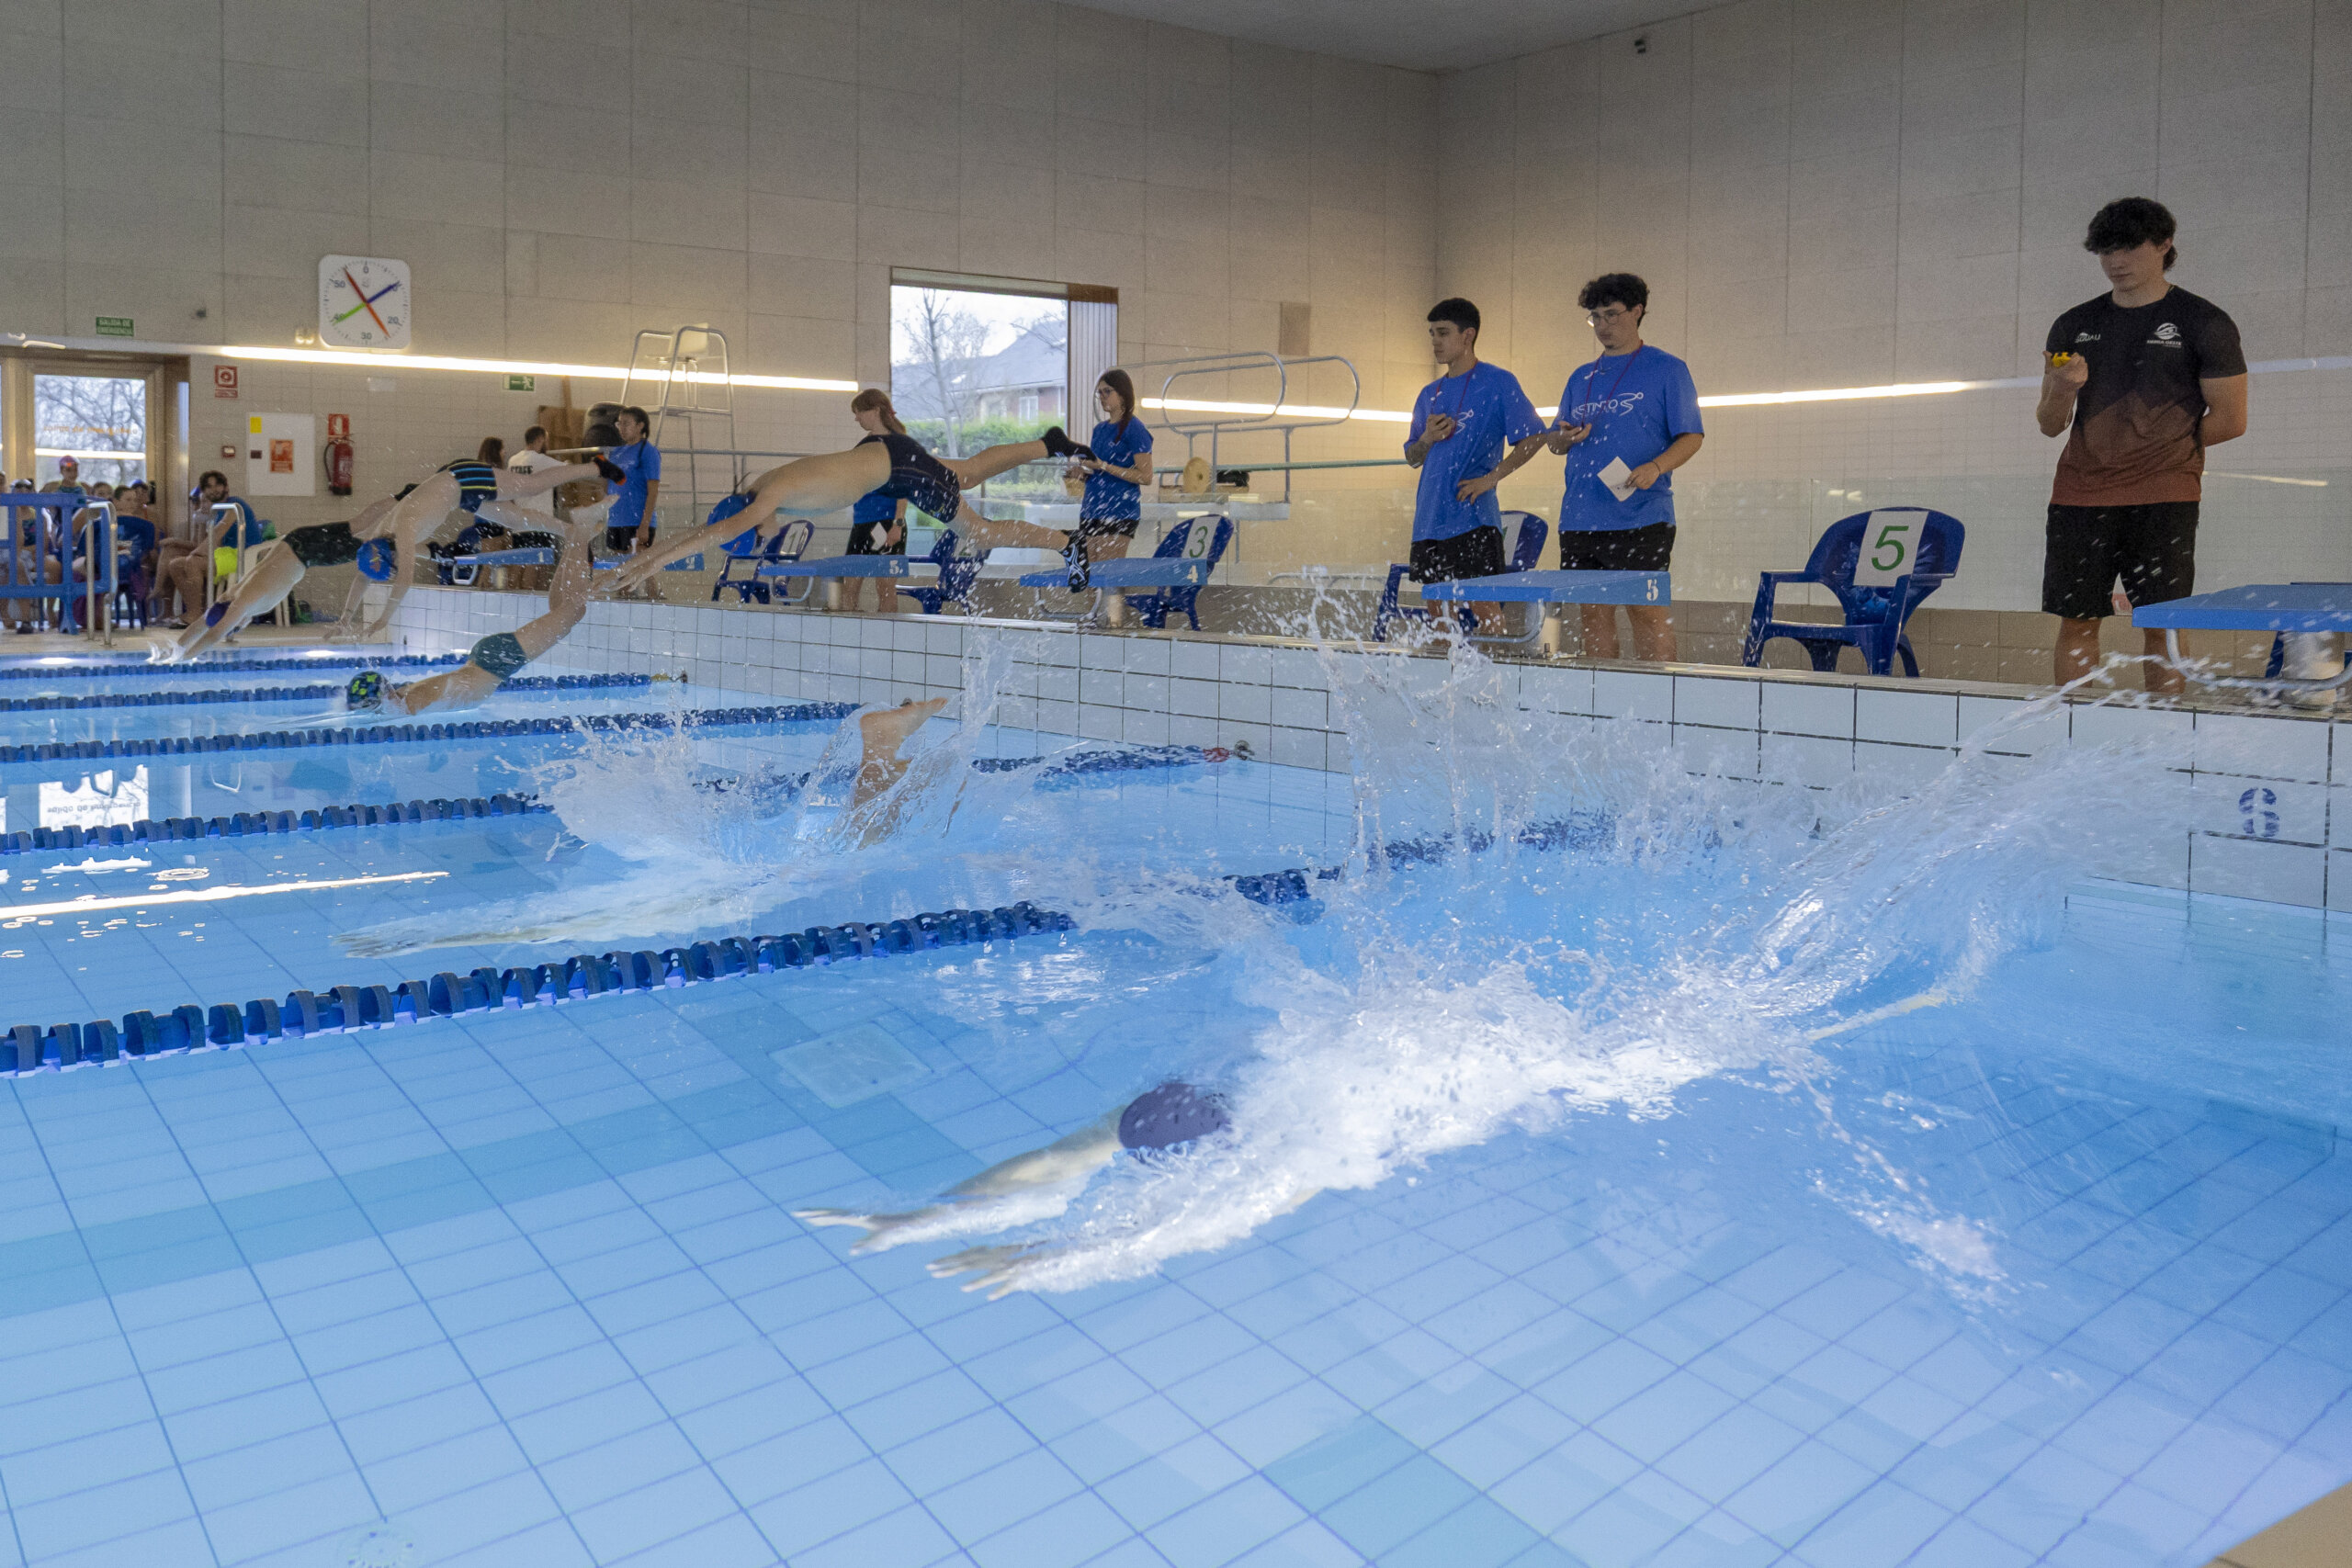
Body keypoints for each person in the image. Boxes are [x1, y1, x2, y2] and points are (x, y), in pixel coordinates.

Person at [2037, 197, 2248, 694]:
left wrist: (2164, 448)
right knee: (2077, 619)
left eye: (2129, 247)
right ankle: (2074, 738)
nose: (2117, 261)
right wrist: (2063, 387)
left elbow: (2232, 419)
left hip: (2164, 497)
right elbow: (2050, 424)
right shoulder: (2073, 325)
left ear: (2164, 244)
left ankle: (2168, 745)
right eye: (2106, 251)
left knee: (2163, 621)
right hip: (2079, 495)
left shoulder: (2204, 322)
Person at [795, 1081, 1259, 1298]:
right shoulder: (1162, 1114)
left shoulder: (1291, 1156)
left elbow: (1184, 1228)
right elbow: (1053, 1168)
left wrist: (1045, 1256)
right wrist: (927, 1215)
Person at [154, 451, 618, 661]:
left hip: (298, 549)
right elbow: (370, 576)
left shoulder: (395, 525)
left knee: (233, 608)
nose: (399, 561)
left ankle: (591, 472)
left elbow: (386, 580)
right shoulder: (383, 527)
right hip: (293, 553)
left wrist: (370, 620)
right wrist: (357, 620)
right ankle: (184, 655)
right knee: (232, 610)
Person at [606, 418, 1100, 596]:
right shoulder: (765, 487)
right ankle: (1049, 443)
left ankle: (1067, 544)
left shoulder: (767, 501)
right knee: (966, 471)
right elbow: (704, 528)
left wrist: (648, 561)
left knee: (979, 531)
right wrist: (640, 562)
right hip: (882, 463)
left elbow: (708, 535)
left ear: (753, 527)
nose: (767, 536)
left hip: (895, 470)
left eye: (759, 536)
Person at [1521, 273, 1702, 662]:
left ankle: (1662, 705)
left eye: (1611, 315)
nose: (1603, 326)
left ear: (1637, 312)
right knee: (1592, 614)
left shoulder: (1667, 369)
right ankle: (1600, 704)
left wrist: (1656, 466)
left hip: (1641, 515)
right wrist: (1563, 438)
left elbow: (1692, 436)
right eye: (1596, 318)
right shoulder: (1581, 377)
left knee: (1646, 611)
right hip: (1581, 517)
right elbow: (1553, 441)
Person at [345, 512, 603, 717]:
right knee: (564, 611)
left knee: (575, 610)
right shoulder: (405, 694)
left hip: (497, 661)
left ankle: (580, 533)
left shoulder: (409, 701)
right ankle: (576, 540)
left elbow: (395, 712)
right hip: (488, 659)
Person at [1401, 298, 1548, 634]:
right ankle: (1445, 681)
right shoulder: (1429, 393)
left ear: (1468, 335)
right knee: (1439, 619)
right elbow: (1412, 457)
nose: (1435, 342)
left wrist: (1491, 479)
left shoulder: (1498, 383)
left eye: (1443, 333)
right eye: (1431, 334)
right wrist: (1425, 438)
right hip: (1429, 520)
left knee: (1487, 614)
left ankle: (1495, 680)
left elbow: (1534, 437)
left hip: (1473, 519)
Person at [1070, 368, 1154, 569]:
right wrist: (1083, 473)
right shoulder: (1100, 430)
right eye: (1100, 392)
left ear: (1123, 394)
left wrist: (1103, 466)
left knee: (1108, 574)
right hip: (1092, 509)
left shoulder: (1135, 429)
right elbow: (1098, 468)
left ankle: (1114, 601)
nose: (1102, 397)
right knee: (1087, 574)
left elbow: (1146, 476)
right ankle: (1093, 602)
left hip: (1119, 510)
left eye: (1107, 391)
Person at [841, 389, 912, 614]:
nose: (856, 418)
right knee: (849, 585)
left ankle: (887, 641)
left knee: (885, 588)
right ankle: (851, 638)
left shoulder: (899, 445)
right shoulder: (865, 445)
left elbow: (904, 489)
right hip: (862, 523)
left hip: (887, 522)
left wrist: (897, 524)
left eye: (859, 412)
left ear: (876, 410)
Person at [603, 407, 662, 601]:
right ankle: (624, 609)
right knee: (622, 572)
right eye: (619, 423)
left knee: (642, 566)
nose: (621, 428)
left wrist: (645, 524)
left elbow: (653, 489)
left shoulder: (648, 451)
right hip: (616, 520)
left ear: (640, 426)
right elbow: (608, 485)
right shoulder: (616, 453)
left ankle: (655, 600)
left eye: (626, 423)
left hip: (637, 520)